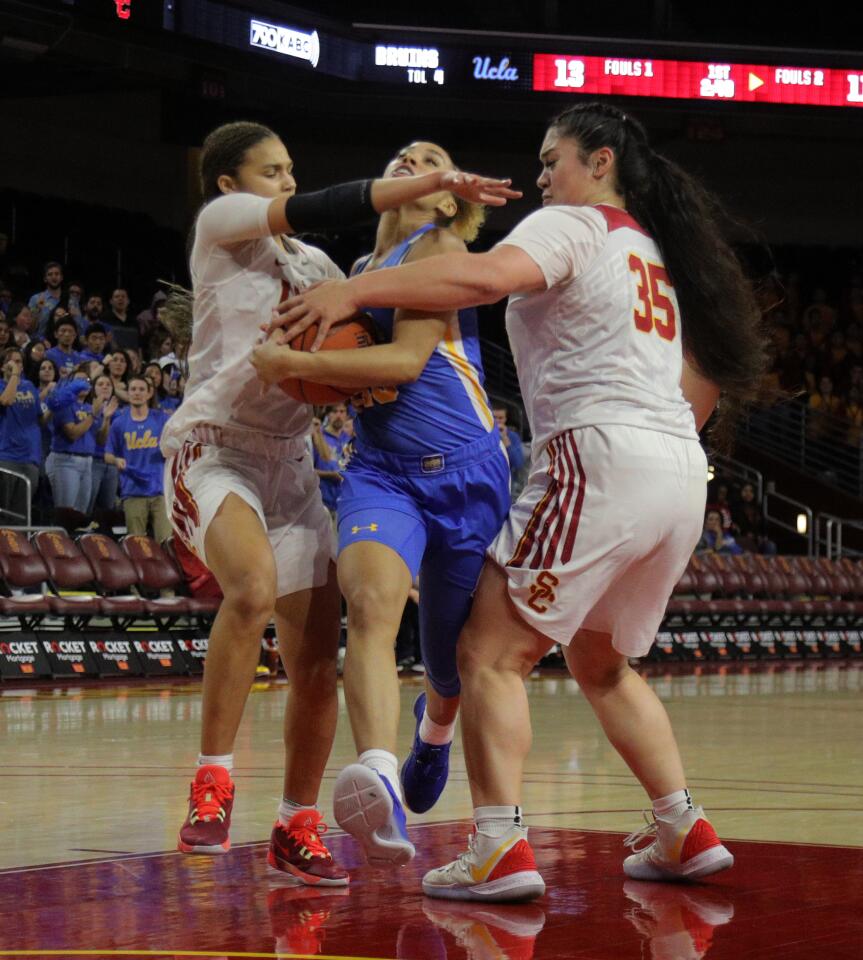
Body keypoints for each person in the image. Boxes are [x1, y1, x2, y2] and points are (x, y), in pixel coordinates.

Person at [275, 102, 772, 900]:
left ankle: (498, 845)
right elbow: (701, 387)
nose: (542, 177)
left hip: (598, 458)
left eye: (552, 160)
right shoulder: (658, 256)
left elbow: (478, 276)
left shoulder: (574, 224)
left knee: (488, 654)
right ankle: (680, 825)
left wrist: (352, 291)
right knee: (600, 662)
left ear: (599, 162)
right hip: (679, 469)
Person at [158, 120, 518, 885]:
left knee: (318, 660)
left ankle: (297, 822)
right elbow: (329, 204)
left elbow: (363, 357)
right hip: (215, 447)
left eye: (292, 169)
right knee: (252, 587)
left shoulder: (330, 266)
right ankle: (213, 779)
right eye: (271, 171)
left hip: (297, 464)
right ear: (229, 183)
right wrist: (435, 181)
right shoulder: (221, 227)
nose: (287, 182)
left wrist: (351, 376)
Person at [251, 140, 513, 867]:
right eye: (402, 153)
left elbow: (402, 363)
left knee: (451, 657)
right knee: (368, 608)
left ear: (444, 200)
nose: (410, 158)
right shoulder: (354, 275)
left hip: (466, 472)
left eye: (429, 159)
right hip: (380, 474)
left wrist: (299, 366)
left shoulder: (436, 251)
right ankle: (377, 775)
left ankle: (434, 729)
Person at [106, 375, 169, 540]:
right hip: (133, 491)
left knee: (166, 541)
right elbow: (107, 455)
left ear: (149, 393)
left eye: (141, 389)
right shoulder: (119, 423)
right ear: (127, 393)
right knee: (137, 545)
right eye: (133, 389)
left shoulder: (162, 419)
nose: (137, 393)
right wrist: (116, 460)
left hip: (160, 490)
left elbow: (176, 444)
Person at [0, 347, 44, 516]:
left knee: (22, 516)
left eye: (19, 362)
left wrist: (54, 407)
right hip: (7, 458)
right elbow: (6, 400)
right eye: (12, 362)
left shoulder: (30, 386)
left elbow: (38, 418)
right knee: (4, 513)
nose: (17, 365)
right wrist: (15, 376)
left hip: (30, 458)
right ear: (2, 367)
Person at [88, 373, 120, 517]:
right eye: (100, 384)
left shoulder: (119, 414)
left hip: (112, 465)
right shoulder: (87, 410)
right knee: (88, 506)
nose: (105, 387)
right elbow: (100, 439)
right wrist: (106, 419)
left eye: (108, 384)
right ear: (93, 389)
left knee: (107, 510)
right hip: (93, 461)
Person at [492, 404, 526, 493]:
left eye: (500, 418)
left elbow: (518, 464)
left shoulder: (513, 436)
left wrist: (506, 441)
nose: (497, 421)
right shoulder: (484, 434)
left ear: (505, 419)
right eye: (494, 417)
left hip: (506, 485)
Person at [29, 261, 64, 337]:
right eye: (50, 274)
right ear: (45, 279)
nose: (54, 277)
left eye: (57, 274)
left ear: (61, 277)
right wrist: (37, 309)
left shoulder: (68, 299)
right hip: (41, 345)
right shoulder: (35, 299)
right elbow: (30, 329)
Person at [46, 313, 82, 378]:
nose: (67, 334)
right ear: (56, 334)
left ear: (75, 335)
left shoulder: (79, 357)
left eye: (70, 331)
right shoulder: (49, 355)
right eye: (63, 331)